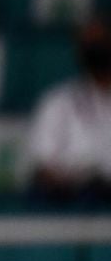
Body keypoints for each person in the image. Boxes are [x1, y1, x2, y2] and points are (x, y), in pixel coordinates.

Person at [26, 16, 111, 207]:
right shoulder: (58, 101)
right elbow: (44, 167)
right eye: (88, 43)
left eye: (100, 42)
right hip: (74, 196)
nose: (95, 49)